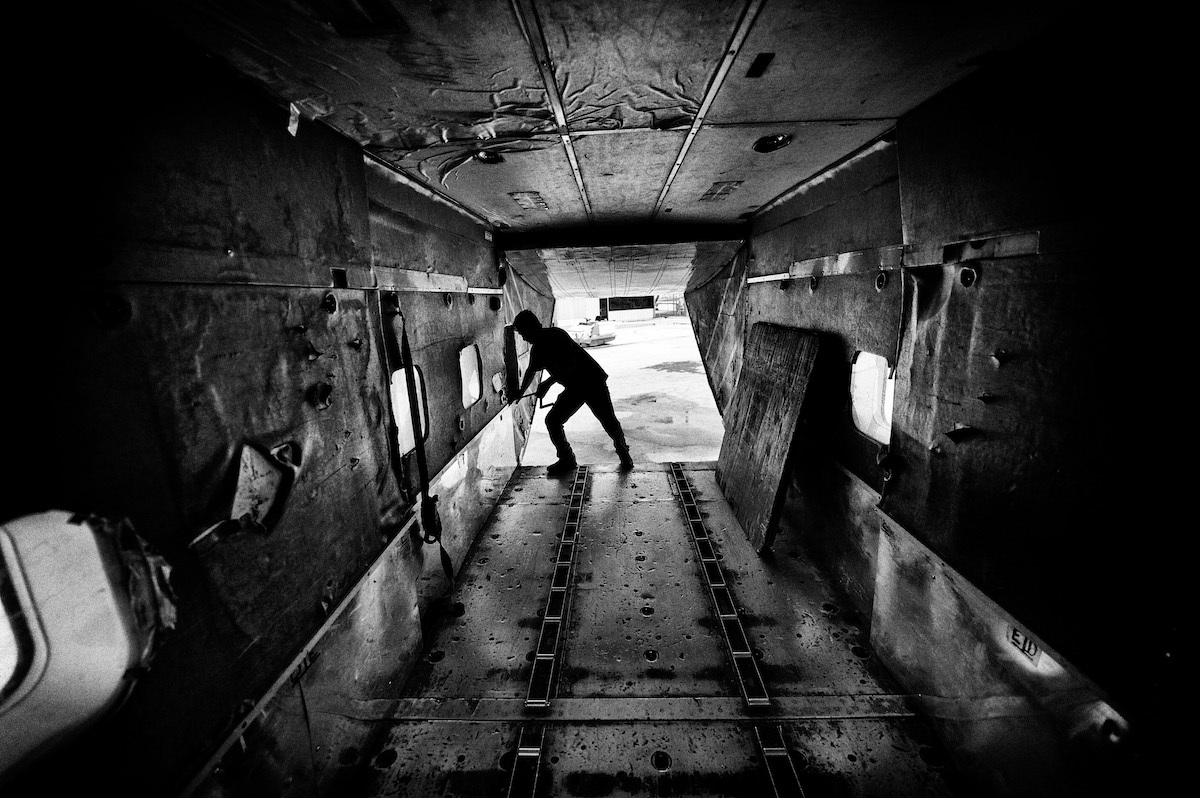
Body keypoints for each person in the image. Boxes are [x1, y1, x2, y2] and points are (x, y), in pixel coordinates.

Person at [513, 309, 634, 475]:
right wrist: (521, 391)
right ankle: (567, 459)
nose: (523, 338)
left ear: (532, 327)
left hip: (592, 382)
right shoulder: (537, 350)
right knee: (553, 421)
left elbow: (570, 364)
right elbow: (531, 371)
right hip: (575, 387)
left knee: (608, 421)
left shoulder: (556, 335)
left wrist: (547, 383)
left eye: (523, 333)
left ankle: (624, 453)